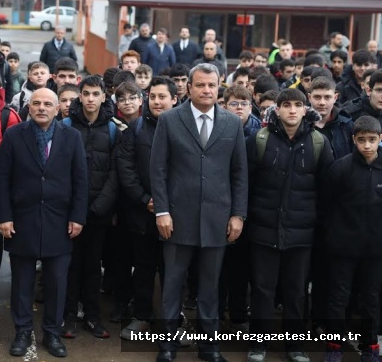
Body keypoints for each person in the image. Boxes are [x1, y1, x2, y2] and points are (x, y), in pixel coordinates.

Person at [150, 63, 248, 362]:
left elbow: (240, 173)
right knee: (173, 286)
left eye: (212, 85)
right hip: (177, 219)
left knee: (210, 287)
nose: (207, 90)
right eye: (201, 85)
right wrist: (162, 211)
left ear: (219, 87)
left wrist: (237, 215)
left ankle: (210, 348)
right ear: (189, 88)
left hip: (218, 220)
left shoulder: (232, 123)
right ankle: (166, 346)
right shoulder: (169, 119)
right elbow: (158, 169)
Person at [0, 87, 88, 358]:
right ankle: (23, 331)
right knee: (21, 282)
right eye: (36, 103)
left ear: (59, 108)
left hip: (60, 222)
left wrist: (77, 217)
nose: (42, 108)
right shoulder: (14, 136)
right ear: (29, 106)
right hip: (21, 221)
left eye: (48, 104)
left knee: (57, 283)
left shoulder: (71, 137)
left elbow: (81, 181)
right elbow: (2, 179)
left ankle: (52, 333)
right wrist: (4, 216)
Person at [245, 88, 334, 362]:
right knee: (262, 289)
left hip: (302, 233)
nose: (292, 110)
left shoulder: (319, 142)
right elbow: (245, 185)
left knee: (296, 291)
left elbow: (327, 190)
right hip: (263, 229)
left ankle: (295, 345)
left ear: (305, 109)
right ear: (277, 109)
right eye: (286, 105)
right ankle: (259, 342)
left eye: (298, 105)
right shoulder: (259, 139)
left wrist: (320, 228)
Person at [116, 76, 178, 339]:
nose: (157, 101)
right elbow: (126, 168)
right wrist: (145, 199)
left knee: (173, 272)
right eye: (152, 96)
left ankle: (171, 322)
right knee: (143, 267)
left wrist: (170, 204)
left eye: (162, 97)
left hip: (177, 215)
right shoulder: (137, 128)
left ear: (175, 99)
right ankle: (142, 317)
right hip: (143, 214)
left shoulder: (185, 128)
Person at [60, 76, 120, 340]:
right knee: (71, 265)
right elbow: (60, 172)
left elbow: (115, 172)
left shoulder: (114, 129)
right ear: (79, 96)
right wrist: (73, 209)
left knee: (94, 267)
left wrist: (99, 207)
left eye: (96, 94)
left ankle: (93, 317)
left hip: (99, 212)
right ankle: (69, 316)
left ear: (104, 96)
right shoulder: (65, 125)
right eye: (86, 94)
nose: (91, 99)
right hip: (71, 212)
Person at [322, 116, 382, 362]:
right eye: (361, 140)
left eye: (372, 140)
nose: (367, 145)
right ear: (353, 140)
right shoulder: (341, 168)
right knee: (338, 298)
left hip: (376, 250)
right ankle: (334, 347)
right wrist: (334, 236)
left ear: (380, 139)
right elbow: (326, 206)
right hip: (343, 248)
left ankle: (370, 347)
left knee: (371, 299)